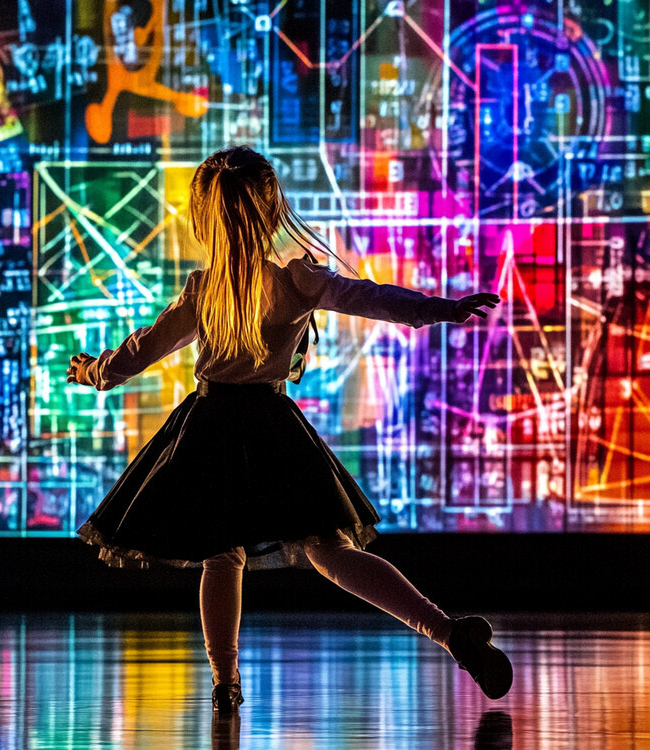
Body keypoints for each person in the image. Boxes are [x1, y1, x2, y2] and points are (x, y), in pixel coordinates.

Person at [67, 145, 513, 713]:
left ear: (208, 217)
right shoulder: (298, 281)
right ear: (272, 210)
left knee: (220, 556)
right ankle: (447, 631)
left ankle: (226, 683)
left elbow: (141, 352)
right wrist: (438, 309)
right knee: (330, 549)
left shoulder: (205, 290)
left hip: (210, 426)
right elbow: (372, 299)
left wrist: (93, 372)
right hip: (273, 426)